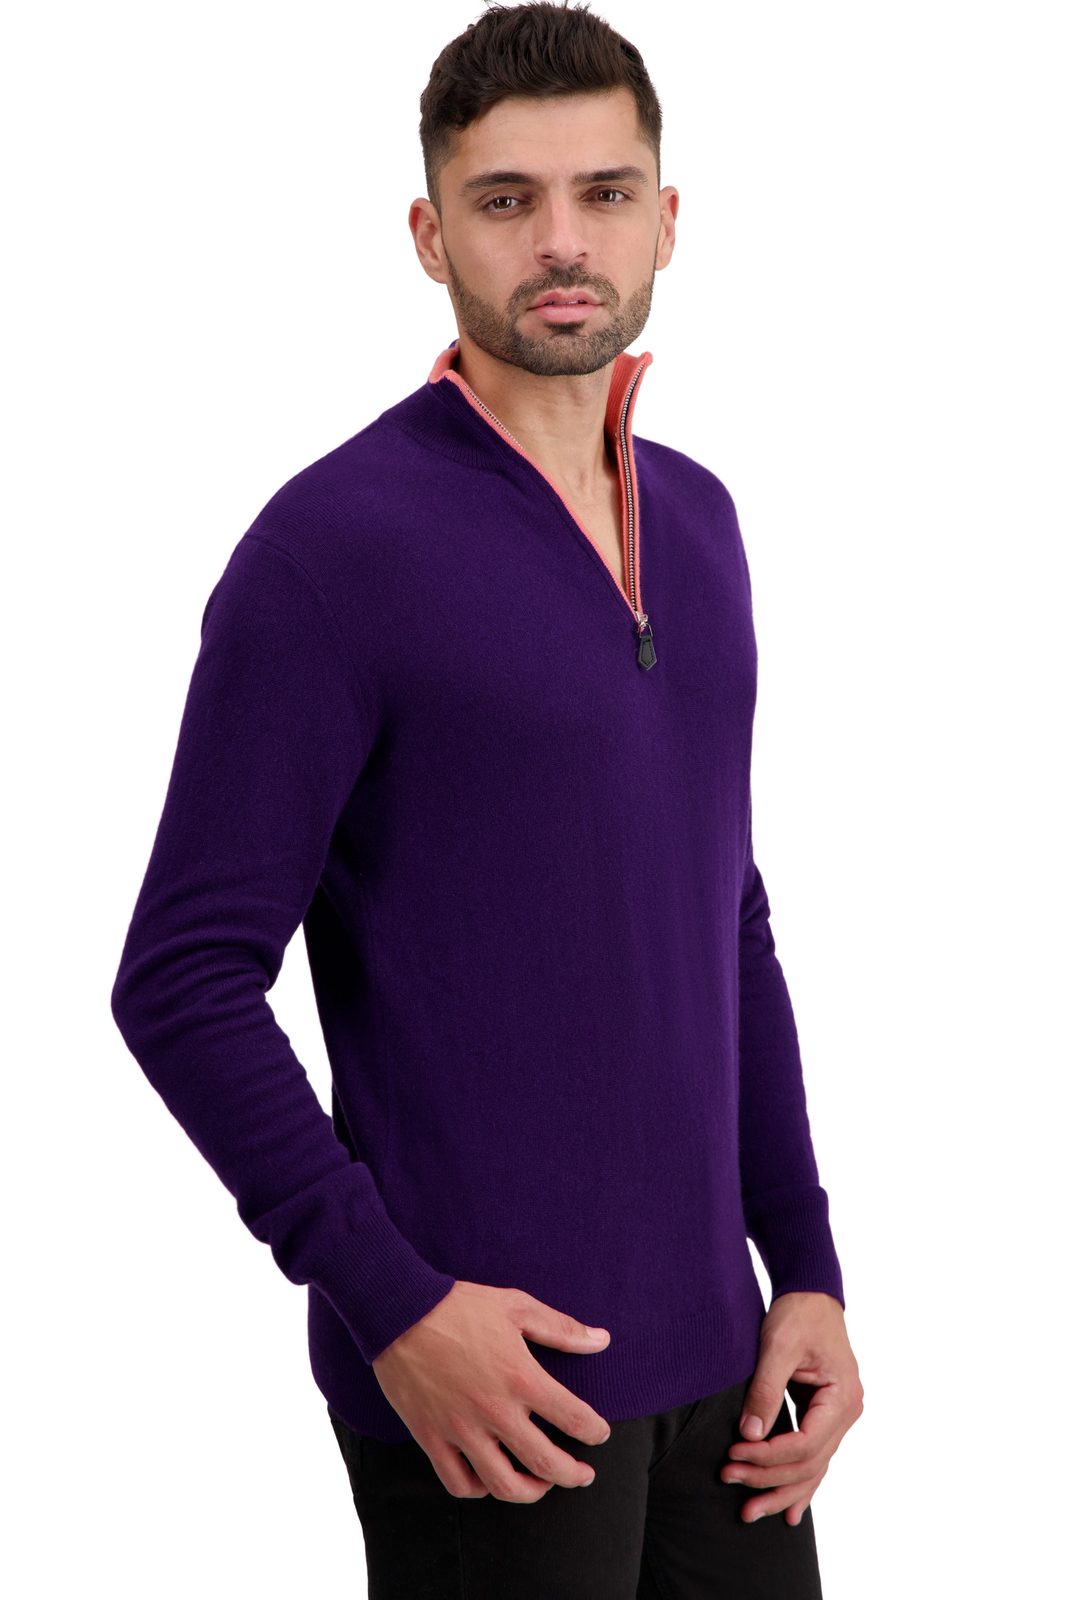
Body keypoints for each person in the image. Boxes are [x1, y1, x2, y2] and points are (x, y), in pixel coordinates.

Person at [110, 1, 864, 1593]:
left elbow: (721, 914)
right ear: (430, 234)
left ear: (667, 219)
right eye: (506, 199)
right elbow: (180, 978)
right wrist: (390, 1302)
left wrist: (805, 1263)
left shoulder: (702, 523)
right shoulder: (331, 554)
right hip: (489, 1387)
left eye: (604, 193)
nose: (562, 241)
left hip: (727, 1371)